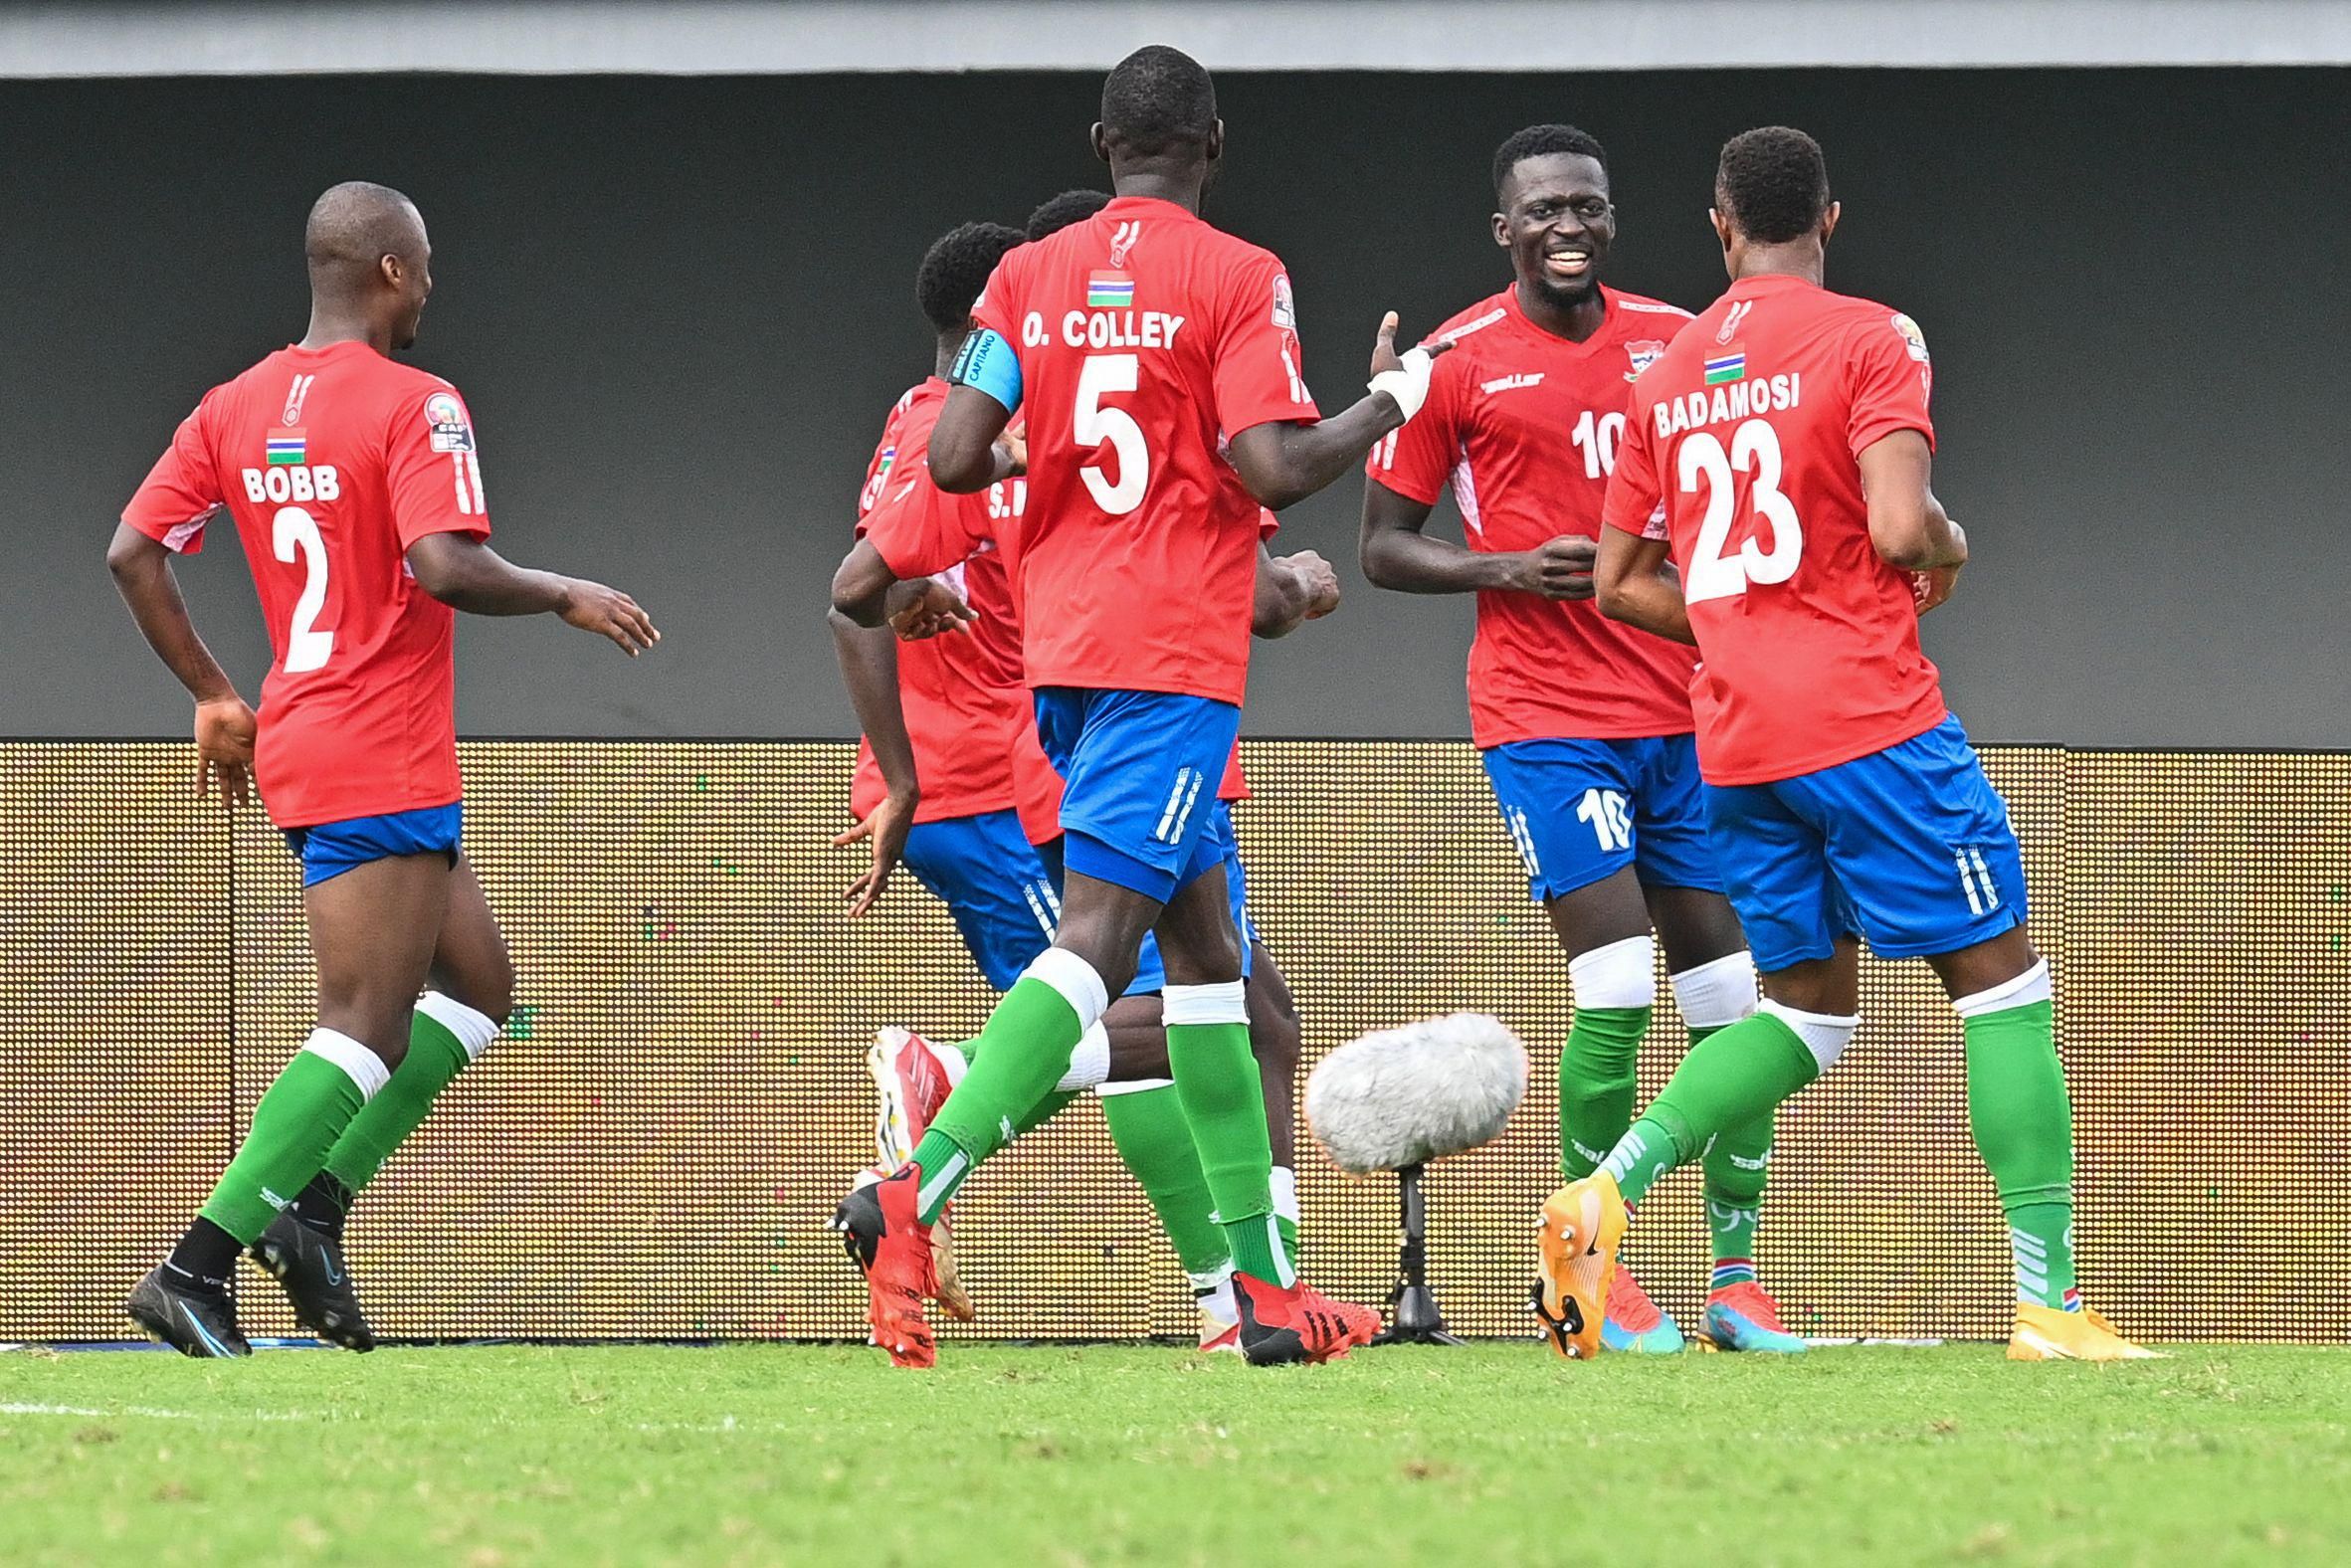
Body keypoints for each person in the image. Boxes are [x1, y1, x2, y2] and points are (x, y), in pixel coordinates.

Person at [828, 44, 1444, 1367]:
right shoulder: (1235, 275)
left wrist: (1035, 439)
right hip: (1170, 653)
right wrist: (1388, 401)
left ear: (1097, 142)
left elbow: (949, 455)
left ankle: (1264, 1301)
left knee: (1215, 975)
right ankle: (911, 1188)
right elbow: (1271, 458)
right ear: (1211, 145)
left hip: (1060, 657)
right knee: (1101, 945)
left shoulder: (1022, 279)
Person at [1545, 126, 2152, 1361]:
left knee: (1807, 1014)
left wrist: (1738, 624)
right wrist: (1952, 543)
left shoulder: (1659, 378)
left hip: (1738, 740)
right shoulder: (1870, 338)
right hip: (1872, 724)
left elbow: (1616, 581)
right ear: (1827, 221)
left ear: (1719, 226)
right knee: (2003, 986)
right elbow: (1894, 525)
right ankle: (2047, 1303)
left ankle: (1600, 1193)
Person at [109, 181, 656, 1357]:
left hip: (318, 729)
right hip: (374, 743)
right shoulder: (418, 401)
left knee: (478, 991)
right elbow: (443, 564)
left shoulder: (233, 404)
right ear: (395, 273)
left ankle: (314, 1211)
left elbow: (133, 550)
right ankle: (196, 1263)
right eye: (429, 268)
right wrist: (565, 589)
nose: (432, 290)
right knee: (365, 1021)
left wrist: (213, 689)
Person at [1362, 123, 1802, 1356]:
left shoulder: (1677, 339)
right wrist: (1505, 564)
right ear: (1502, 228)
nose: (1568, 226)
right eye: (1542, 209)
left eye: (1588, 208)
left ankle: (1734, 1272)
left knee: (1729, 997)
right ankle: (1583, 1270)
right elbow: (1381, 548)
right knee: (1614, 981)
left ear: (1611, 220)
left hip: (1687, 714)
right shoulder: (1455, 360)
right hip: (1545, 719)